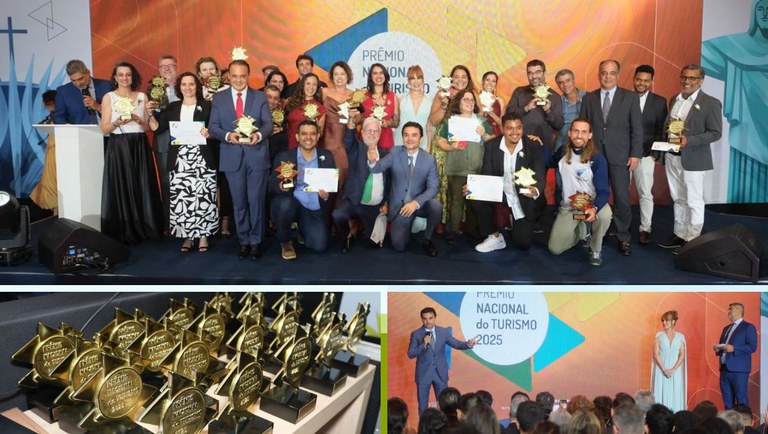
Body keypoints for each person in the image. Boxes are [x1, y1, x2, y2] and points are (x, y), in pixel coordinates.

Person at [701, 1, 768, 202]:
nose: (765, 14)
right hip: (748, 127)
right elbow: (703, 52)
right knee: (744, 188)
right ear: (754, 14)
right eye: (760, 9)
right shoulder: (736, 47)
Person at [208, 59, 273, 260]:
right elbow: (213, 127)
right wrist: (228, 136)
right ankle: (244, 241)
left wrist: (258, 135)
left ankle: (256, 242)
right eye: (234, 76)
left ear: (248, 76)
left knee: (256, 201)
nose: (238, 80)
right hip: (231, 156)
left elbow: (268, 125)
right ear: (228, 76)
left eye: (242, 76)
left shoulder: (260, 96)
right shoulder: (219, 98)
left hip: (257, 156)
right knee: (239, 202)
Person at [657, 65, 723, 253]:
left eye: (692, 78)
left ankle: (693, 239)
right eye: (684, 77)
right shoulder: (674, 99)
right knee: (678, 198)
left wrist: (689, 141)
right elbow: (669, 128)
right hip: (672, 156)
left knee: (693, 200)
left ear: (701, 81)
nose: (687, 81)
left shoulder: (711, 103)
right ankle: (680, 234)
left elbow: (716, 133)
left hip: (694, 158)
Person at [149, 72, 218, 253]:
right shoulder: (172, 107)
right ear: (179, 87)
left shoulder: (208, 106)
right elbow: (158, 129)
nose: (188, 88)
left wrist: (210, 133)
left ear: (197, 86)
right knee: (183, 198)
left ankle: (203, 236)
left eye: (191, 84)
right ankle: (187, 236)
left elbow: (216, 129)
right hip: (180, 158)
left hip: (202, 157)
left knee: (203, 196)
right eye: (184, 84)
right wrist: (149, 115)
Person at [580, 59, 643, 256]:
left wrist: (635, 154)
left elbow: (637, 128)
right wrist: (583, 153)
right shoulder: (589, 98)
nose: (607, 76)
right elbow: (583, 127)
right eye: (604, 72)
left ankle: (624, 237)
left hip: (620, 156)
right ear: (599, 74)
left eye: (612, 73)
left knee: (622, 198)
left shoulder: (630, 97)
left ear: (618, 75)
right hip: (595, 156)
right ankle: (598, 231)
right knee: (595, 194)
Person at [99, 61, 162, 244]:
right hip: (119, 145)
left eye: (128, 74)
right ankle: (125, 228)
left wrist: (139, 120)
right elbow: (104, 129)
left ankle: (147, 227)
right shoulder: (109, 97)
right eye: (121, 74)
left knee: (143, 184)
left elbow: (148, 128)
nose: (125, 78)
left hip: (140, 144)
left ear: (133, 77)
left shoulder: (142, 96)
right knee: (123, 185)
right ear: (115, 77)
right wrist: (117, 122)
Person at [468, 112, 544, 253]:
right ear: (502, 129)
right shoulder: (491, 146)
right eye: (510, 128)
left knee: (522, 243)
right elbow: (487, 174)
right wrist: (475, 187)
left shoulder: (533, 146)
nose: (515, 133)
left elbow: (540, 173)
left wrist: (535, 190)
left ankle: (515, 219)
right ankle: (494, 236)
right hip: (501, 191)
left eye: (518, 128)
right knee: (474, 194)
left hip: (522, 195)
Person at [505, 59, 564, 232]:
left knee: (537, 184)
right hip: (518, 146)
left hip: (542, 148)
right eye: (530, 73)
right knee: (516, 182)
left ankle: (535, 220)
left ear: (544, 73)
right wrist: (526, 108)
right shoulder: (519, 92)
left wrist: (548, 110)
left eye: (537, 72)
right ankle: (518, 218)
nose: (534, 76)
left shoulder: (554, 96)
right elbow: (508, 115)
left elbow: (559, 124)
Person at [368, 122, 442, 256]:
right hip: (400, 207)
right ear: (402, 137)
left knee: (436, 206)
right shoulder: (395, 152)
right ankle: (406, 227)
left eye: (414, 135)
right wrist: (372, 161)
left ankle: (428, 239)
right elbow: (377, 168)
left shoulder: (429, 159)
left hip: (420, 204)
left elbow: (433, 188)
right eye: (406, 135)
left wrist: (415, 203)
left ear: (421, 138)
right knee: (398, 245)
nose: (410, 139)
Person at [547, 118, 612, 266]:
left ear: (590, 135)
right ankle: (583, 232)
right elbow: (549, 161)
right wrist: (535, 144)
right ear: (569, 133)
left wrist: (594, 208)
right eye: (576, 131)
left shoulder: (597, 159)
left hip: (590, 205)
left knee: (605, 215)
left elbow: (604, 192)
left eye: (583, 132)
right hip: (569, 206)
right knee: (555, 249)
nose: (579, 135)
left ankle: (595, 248)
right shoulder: (563, 151)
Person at [269, 120, 335, 260]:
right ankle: (285, 240)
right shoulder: (284, 157)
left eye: (312, 134)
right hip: (291, 201)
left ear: (318, 136)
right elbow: (271, 184)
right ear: (297, 137)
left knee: (319, 246)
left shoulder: (327, 156)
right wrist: (280, 186)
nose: (308, 138)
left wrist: (325, 195)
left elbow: (333, 185)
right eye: (304, 134)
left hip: (313, 207)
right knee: (285, 205)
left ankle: (302, 228)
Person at [436, 90, 493, 243]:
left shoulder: (481, 121)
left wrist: (484, 135)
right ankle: (453, 231)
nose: (469, 102)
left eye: (471, 100)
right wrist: (451, 147)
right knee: (456, 200)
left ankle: (473, 230)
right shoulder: (452, 121)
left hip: (477, 169)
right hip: (457, 167)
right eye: (465, 100)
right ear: (458, 103)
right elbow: (440, 141)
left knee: (475, 201)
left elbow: (493, 139)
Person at [429, 65, 478, 225]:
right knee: (443, 183)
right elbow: (433, 121)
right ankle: (441, 222)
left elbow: (479, 118)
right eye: (456, 77)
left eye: (463, 77)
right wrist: (444, 105)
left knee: (460, 185)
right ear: (450, 79)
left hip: (465, 145)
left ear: (468, 79)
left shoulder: (473, 95)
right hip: (443, 144)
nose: (460, 80)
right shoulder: (442, 93)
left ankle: (458, 223)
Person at [407, 307, 477, 415]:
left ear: (435, 318)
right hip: (424, 374)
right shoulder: (416, 334)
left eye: (430, 318)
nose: (428, 321)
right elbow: (411, 354)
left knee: (445, 406)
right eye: (425, 319)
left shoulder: (443, 332)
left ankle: (445, 425)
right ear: (422, 319)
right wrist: (423, 345)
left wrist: (468, 344)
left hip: (440, 374)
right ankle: (424, 425)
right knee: (422, 407)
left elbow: (456, 344)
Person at [334, 116, 389, 252]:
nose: (372, 133)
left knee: (374, 243)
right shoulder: (356, 149)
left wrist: (386, 202)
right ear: (362, 132)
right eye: (369, 130)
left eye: (375, 131)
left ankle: (360, 227)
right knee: (338, 215)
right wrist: (351, 121)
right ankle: (347, 236)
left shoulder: (386, 154)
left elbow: (389, 181)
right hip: (354, 202)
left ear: (380, 133)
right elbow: (349, 138)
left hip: (374, 206)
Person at [196, 56, 232, 238]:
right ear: (199, 74)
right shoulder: (197, 92)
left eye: (212, 69)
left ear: (217, 71)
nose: (209, 72)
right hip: (204, 142)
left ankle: (225, 219)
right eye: (204, 70)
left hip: (224, 140)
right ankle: (208, 219)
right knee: (208, 181)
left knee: (225, 181)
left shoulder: (227, 90)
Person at [632, 65, 668, 246]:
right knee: (620, 192)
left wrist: (655, 155)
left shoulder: (659, 102)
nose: (642, 83)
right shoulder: (625, 98)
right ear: (634, 79)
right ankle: (618, 224)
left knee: (645, 193)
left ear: (652, 82)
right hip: (624, 154)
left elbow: (662, 130)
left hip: (646, 155)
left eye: (646, 80)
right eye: (639, 79)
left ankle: (645, 228)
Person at [150, 55, 182, 231]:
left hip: (186, 140)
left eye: (171, 65)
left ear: (177, 67)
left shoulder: (187, 85)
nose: (167, 69)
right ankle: (169, 223)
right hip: (163, 141)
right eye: (163, 66)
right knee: (166, 183)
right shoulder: (151, 90)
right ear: (159, 70)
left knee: (186, 182)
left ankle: (188, 222)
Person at [713, 302, 757, 409]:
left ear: (739, 310)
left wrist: (734, 348)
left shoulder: (748, 327)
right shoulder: (726, 328)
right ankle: (730, 421)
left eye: (730, 309)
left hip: (739, 370)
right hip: (724, 370)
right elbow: (724, 346)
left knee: (741, 401)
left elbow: (752, 347)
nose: (728, 311)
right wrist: (718, 350)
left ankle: (744, 420)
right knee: (728, 404)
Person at [322, 61, 354, 191]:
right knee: (325, 176)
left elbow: (358, 119)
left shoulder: (354, 95)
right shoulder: (324, 92)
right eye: (336, 74)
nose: (339, 77)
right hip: (326, 139)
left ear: (348, 76)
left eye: (342, 74)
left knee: (343, 173)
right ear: (332, 76)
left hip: (345, 140)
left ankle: (339, 202)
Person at [53, 59, 111, 125]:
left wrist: (99, 107)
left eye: (80, 79)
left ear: (88, 73)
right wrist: (69, 127)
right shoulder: (63, 91)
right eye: (73, 80)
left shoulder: (107, 86)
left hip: (107, 130)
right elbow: (58, 117)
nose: (78, 83)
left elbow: (118, 110)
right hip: (78, 131)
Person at [651, 310, 687, 412]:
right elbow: (655, 354)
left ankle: (675, 416)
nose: (664, 323)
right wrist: (664, 369)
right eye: (663, 320)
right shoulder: (658, 336)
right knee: (661, 391)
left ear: (673, 321)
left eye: (667, 320)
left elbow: (682, 354)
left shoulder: (680, 336)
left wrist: (673, 369)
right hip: (661, 369)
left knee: (675, 392)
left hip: (675, 371)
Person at [30, 90, 58, 213]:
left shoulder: (61, 115)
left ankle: (57, 209)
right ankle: (56, 211)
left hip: (57, 150)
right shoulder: (53, 115)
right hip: (52, 149)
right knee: (50, 180)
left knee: (53, 180)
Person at [361, 63, 400, 150]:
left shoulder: (393, 97)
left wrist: (387, 123)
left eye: (381, 73)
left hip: (386, 142)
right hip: (366, 143)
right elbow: (358, 120)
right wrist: (369, 120)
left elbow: (396, 123)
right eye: (375, 73)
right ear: (371, 77)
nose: (378, 76)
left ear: (385, 75)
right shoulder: (363, 96)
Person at [395, 65, 434, 149]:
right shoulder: (400, 99)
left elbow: (429, 126)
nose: (416, 82)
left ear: (423, 80)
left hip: (422, 144)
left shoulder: (430, 101)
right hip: (400, 143)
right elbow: (395, 122)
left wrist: (429, 146)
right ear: (408, 81)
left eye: (419, 78)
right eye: (412, 78)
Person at [284, 72, 326, 150]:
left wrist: (317, 128)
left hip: (309, 148)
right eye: (308, 83)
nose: (311, 87)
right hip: (290, 145)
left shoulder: (320, 108)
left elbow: (321, 134)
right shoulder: (291, 102)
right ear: (303, 85)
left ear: (317, 87)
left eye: (314, 84)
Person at [555, 69, 586, 151]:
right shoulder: (556, 101)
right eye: (561, 82)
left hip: (584, 146)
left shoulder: (588, 97)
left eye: (568, 80)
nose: (565, 85)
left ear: (573, 80)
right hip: (562, 146)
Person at [479, 71, 505, 137]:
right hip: (478, 133)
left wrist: (491, 114)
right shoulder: (476, 99)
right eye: (487, 80)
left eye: (493, 81)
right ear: (482, 81)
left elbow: (503, 124)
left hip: (495, 134)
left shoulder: (500, 101)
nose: (490, 83)